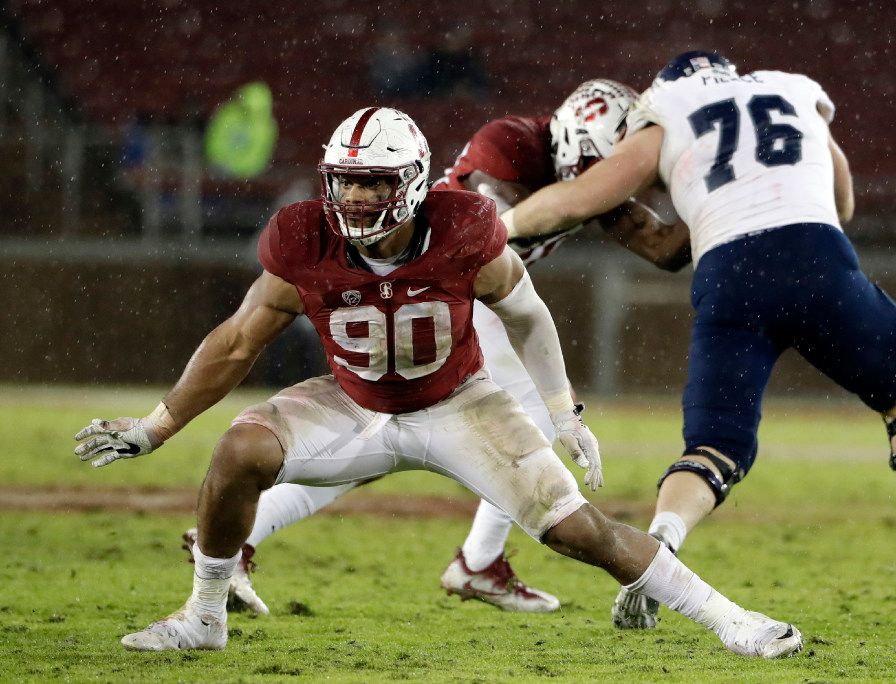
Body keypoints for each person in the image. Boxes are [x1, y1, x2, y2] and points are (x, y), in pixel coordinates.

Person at [74, 106, 803, 658]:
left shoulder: (465, 228)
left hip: (461, 405)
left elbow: (527, 315)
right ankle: (204, 615)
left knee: (583, 533)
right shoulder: (302, 235)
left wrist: (562, 409)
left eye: (373, 183)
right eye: (346, 182)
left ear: (414, 183)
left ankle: (733, 622)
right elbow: (237, 340)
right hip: (352, 401)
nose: (356, 199)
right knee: (240, 451)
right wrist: (156, 426)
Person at [500, 52, 896, 630]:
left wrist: (503, 226)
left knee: (715, 447)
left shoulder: (669, 109)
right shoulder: (791, 89)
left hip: (728, 274)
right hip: (815, 254)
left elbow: (586, 195)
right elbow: (843, 200)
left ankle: (658, 551)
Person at [179, 78, 691, 618]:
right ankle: (478, 563)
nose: (610, 178)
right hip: (433, 294)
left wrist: (702, 185)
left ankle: (242, 542)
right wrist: (579, 201)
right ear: (574, 138)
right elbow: (488, 226)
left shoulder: (587, 179)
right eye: (605, 163)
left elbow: (665, 250)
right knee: (530, 420)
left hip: (464, 300)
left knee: (369, 450)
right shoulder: (513, 141)